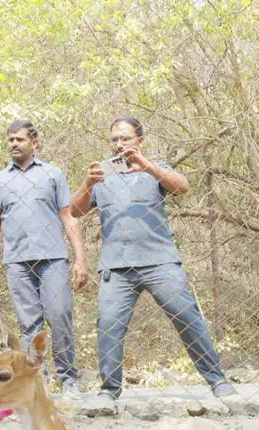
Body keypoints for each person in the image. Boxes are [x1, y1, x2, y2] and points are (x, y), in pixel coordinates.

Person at [70, 115, 236, 407]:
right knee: (108, 325)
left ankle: (218, 380)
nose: (119, 144)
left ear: (140, 141)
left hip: (160, 262)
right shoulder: (101, 175)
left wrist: (147, 166)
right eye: (114, 139)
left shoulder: (156, 169)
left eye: (126, 138)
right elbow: (74, 211)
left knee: (187, 317)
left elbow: (182, 187)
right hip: (116, 268)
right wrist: (87, 182)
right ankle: (109, 392)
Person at [0, 120, 88, 394]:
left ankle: (69, 379)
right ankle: (38, 381)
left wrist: (80, 258)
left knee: (60, 315)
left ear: (35, 143)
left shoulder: (53, 175)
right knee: (29, 325)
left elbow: (69, 216)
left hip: (53, 258)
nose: (14, 144)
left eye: (20, 139)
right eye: (11, 140)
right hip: (17, 262)